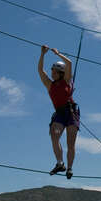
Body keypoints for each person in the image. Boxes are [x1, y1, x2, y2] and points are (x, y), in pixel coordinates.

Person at [38, 44, 79, 179]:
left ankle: (70, 168)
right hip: (60, 113)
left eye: (55, 71)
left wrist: (58, 54)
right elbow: (40, 71)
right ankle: (60, 163)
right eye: (52, 71)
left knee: (70, 143)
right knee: (54, 135)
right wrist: (42, 54)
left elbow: (69, 63)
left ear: (61, 73)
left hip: (71, 112)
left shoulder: (67, 81)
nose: (52, 73)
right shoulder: (50, 85)